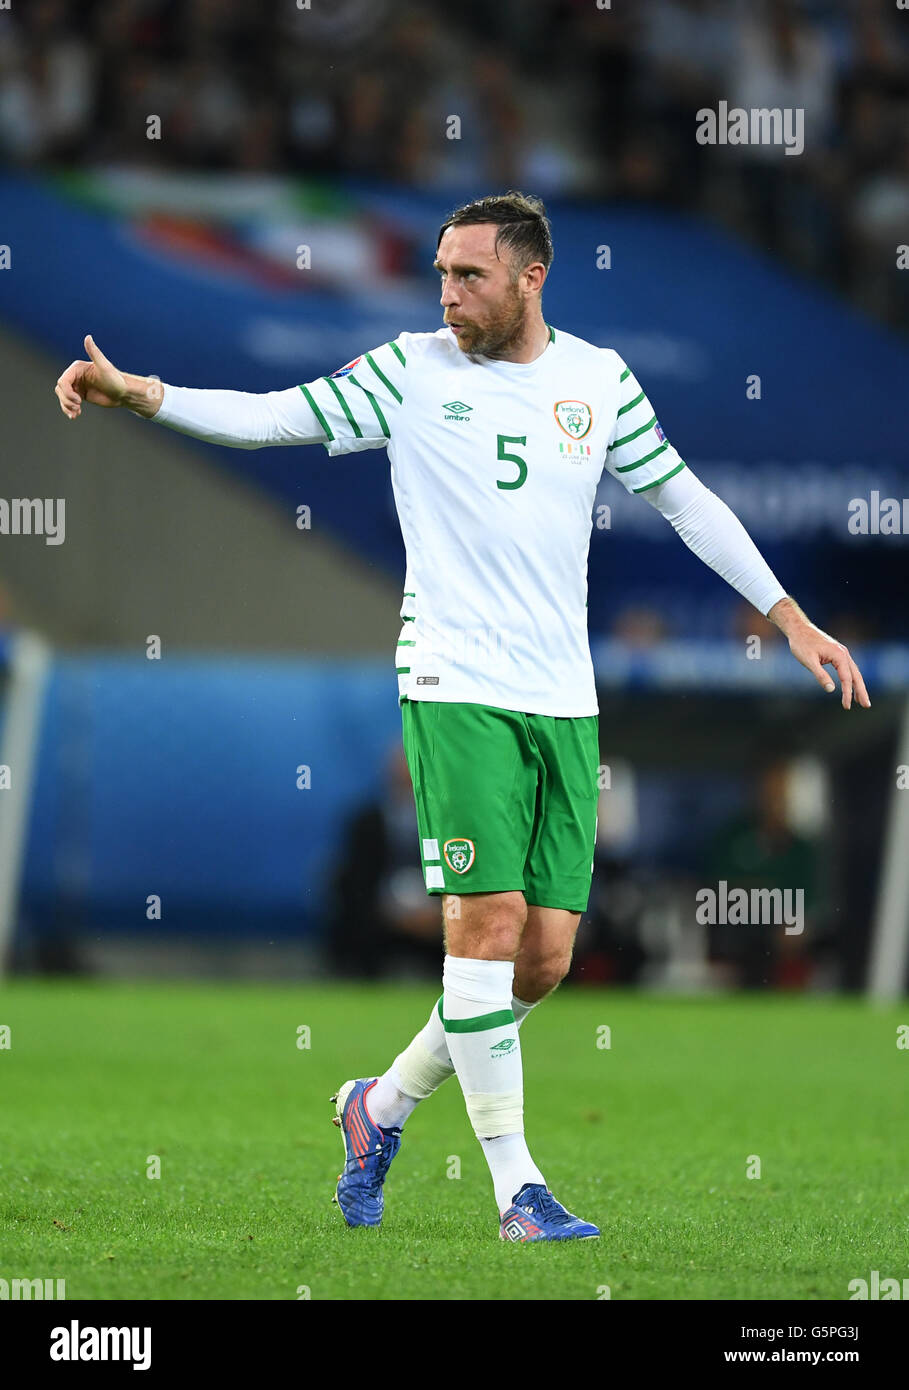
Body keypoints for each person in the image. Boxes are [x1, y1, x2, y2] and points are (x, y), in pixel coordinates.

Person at [54, 191, 870, 1243]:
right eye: (440, 273)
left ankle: (377, 1105)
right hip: (454, 685)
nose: (447, 294)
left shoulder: (599, 381)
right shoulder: (409, 372)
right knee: (483, 929)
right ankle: (517, 1190)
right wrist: (140, 393)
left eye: (469, 276)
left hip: (563, 700)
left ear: (532, 277)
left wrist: (789, 617)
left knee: (542, 960)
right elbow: (273, 416)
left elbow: (686, 502)